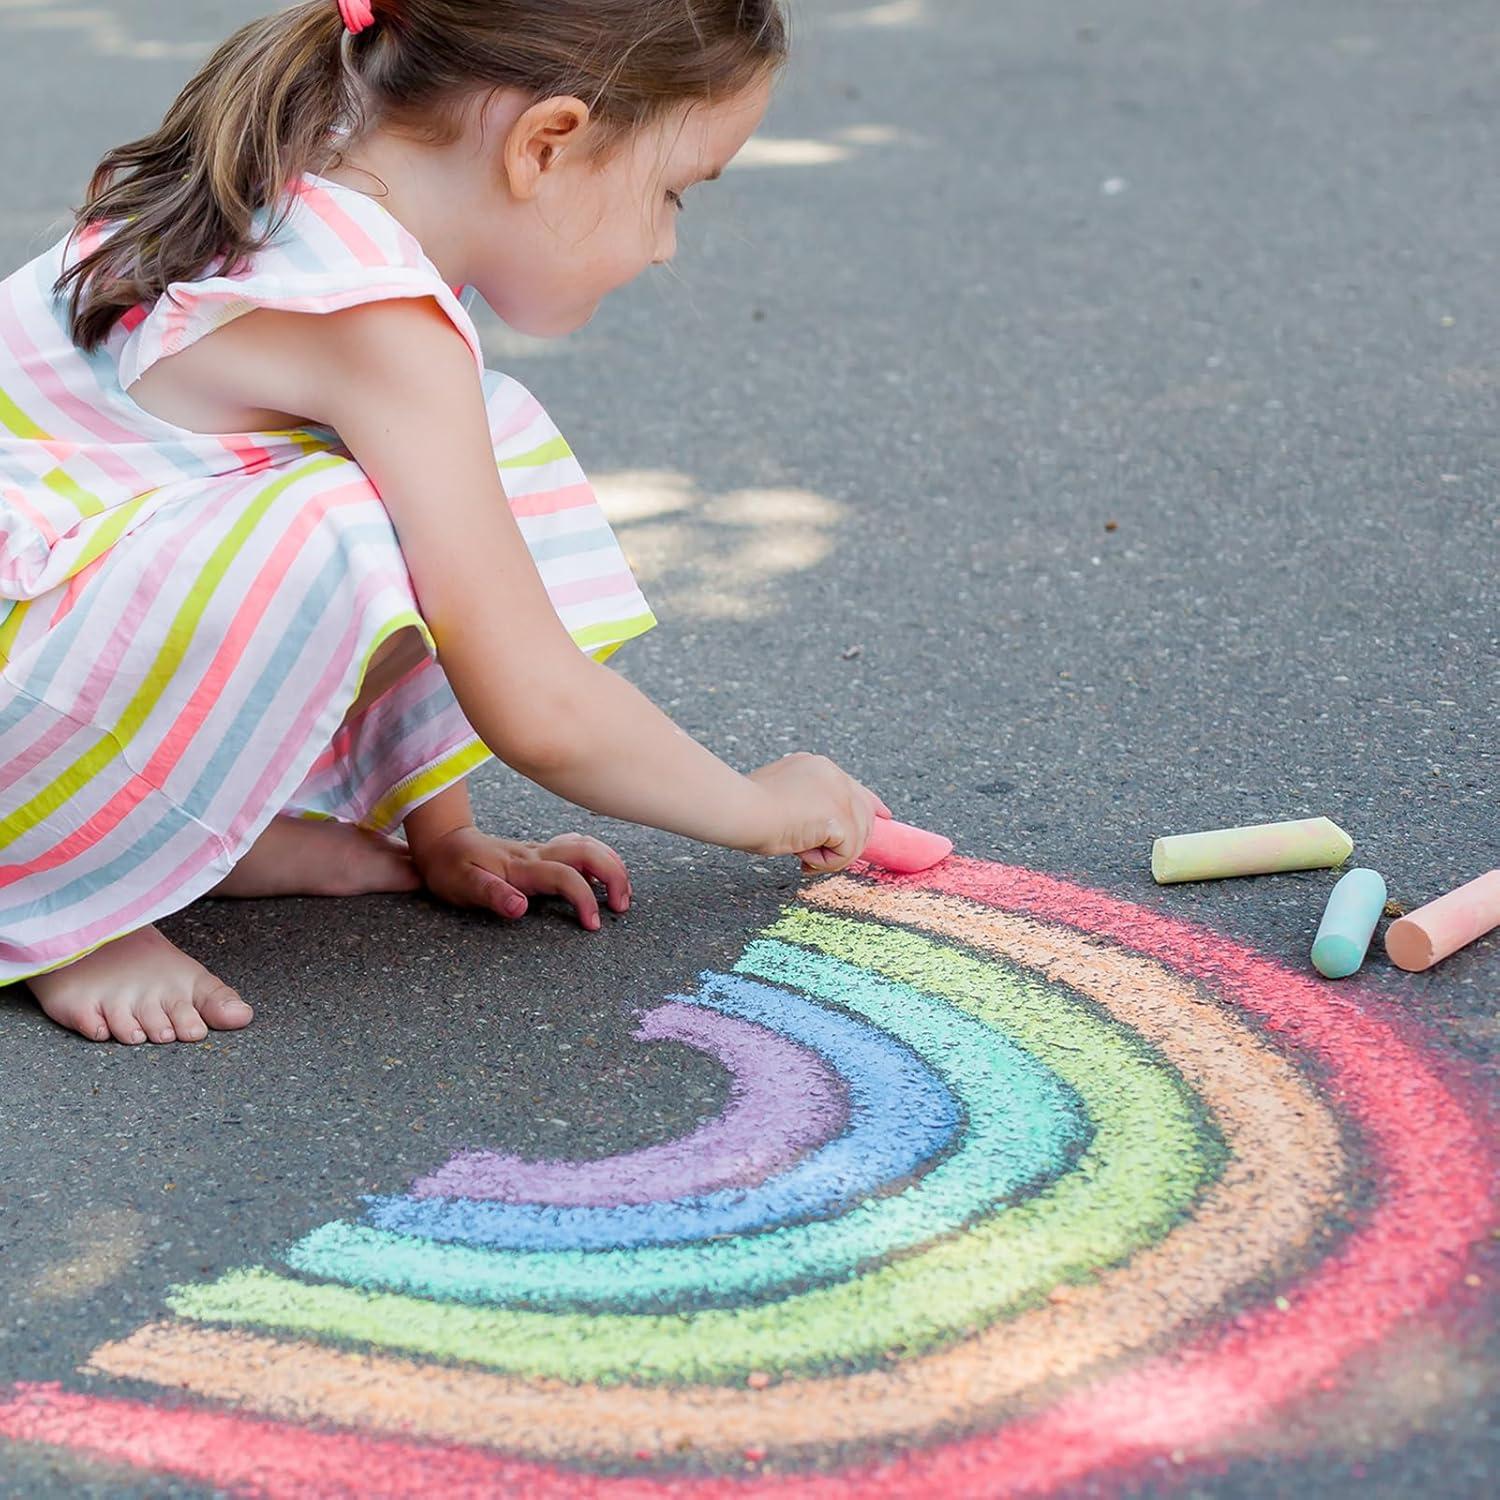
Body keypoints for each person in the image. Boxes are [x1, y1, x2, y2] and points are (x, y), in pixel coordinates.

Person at [0, 0, 884, 1046]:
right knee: (342, 527)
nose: (661, 245)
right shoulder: (375, 317)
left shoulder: (322, 168)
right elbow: (539, 702)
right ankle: (54, 885)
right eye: (672, 193)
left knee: (470, 463)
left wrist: (440, 830)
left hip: (49, 617)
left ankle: (193, 835)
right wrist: (758, 807)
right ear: (546, 142)